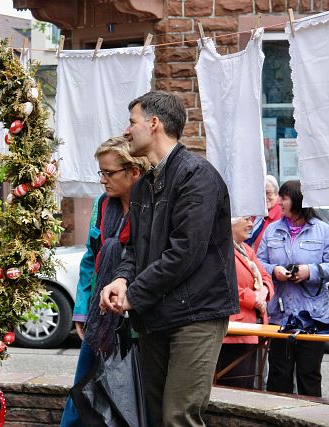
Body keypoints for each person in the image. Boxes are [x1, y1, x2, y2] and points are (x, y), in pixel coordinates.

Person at [99, 91, 239, 427]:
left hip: (196, 314)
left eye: (132, 122)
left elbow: (184, 253)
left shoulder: (197, 176)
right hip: (155, 314)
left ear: (154, 123)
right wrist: (121, 279)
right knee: (155, 415)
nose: (127, 130)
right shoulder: (144, 185)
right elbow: (135, 249)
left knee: (179, 416)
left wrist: (134, 294)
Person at [61, 136, 146, 426]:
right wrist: (82, 309)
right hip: (100, 316)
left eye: (109, 173)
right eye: (101, 172)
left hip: (136, 321)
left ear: (133, 172)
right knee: (82, 392)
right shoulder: (103, 205)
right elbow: (90, 259)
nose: (102, 180)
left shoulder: (150, 209)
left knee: (131, 399)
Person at [257, 179, 329, 397]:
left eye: (284, 198)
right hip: (280, 317)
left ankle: (310, 414)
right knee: (279, 376)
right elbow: (258, 264)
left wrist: (310, 271)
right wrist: (274, 270)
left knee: (309, 376)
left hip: (313, 319)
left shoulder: (323, 231)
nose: (279, 202)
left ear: (298, 201)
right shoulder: (272, 230)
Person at [215, 216, 274, 389]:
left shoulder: (246, 249)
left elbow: (265, 276)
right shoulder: (220, 249)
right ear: (231, 222)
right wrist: (253, 299)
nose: (251, 224)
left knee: (247, 385)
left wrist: (264, 292)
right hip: (234, 331)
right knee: (235, 387)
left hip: (253, 327)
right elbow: (223, 285)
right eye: (247, 219)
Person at [245, 175, 282, 250]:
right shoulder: (254, 211)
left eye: (268, 193)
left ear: (276, 193)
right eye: (261, 193)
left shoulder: (282, 214)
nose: (264, 197)